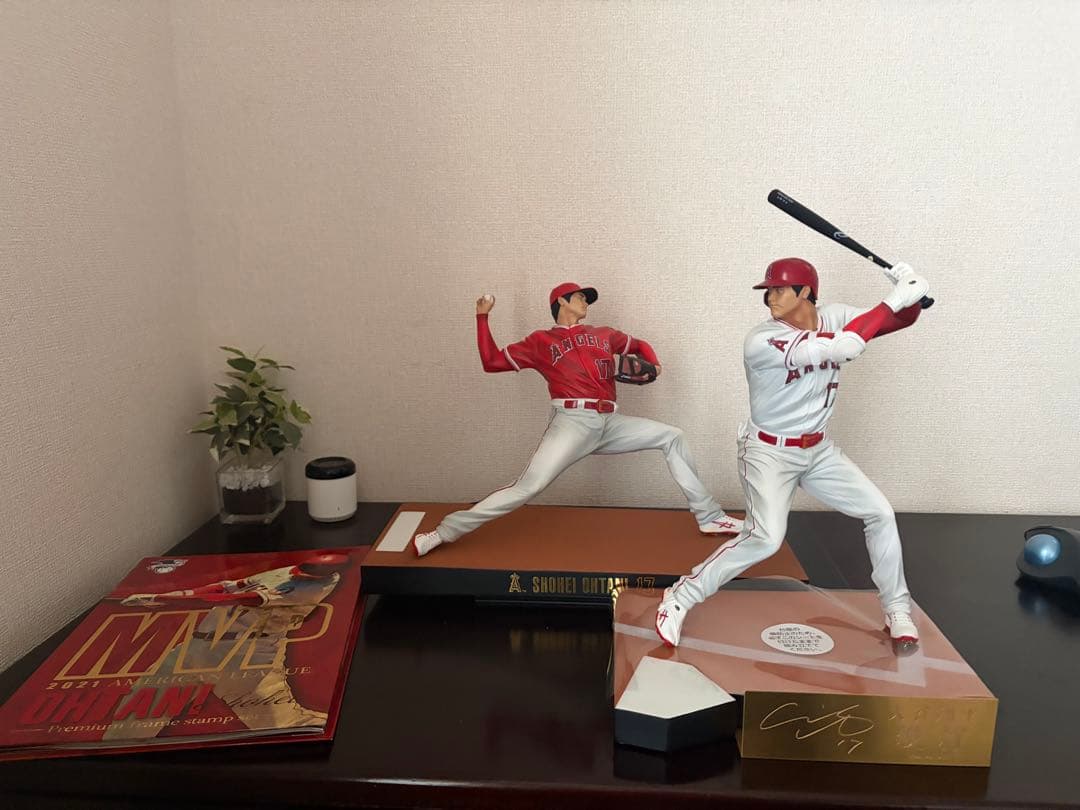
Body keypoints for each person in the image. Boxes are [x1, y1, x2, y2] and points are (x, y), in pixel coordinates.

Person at [655, 258, 930, 648]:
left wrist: (912, 294)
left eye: (780, 289)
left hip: (818, 450)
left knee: (880, 513)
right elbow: (848, 346)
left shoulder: (835, 316)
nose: (771, 297)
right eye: (768, 290)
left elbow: (896, 321)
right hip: (768, 453)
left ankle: (896, 607)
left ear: (806, 292)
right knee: (765, 539)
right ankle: (681, 596)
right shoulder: (762, 339)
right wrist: (896, 297)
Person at [412, 283, 743, 556]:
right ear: (561, 301)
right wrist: (482, 316)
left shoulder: (604, 334)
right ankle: (443, 532)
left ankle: (709, 516)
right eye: (581, 297)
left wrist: (655, 364)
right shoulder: (541, 341)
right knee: (526, 487)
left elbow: (639, 345)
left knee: (672, 436)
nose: (586, 302)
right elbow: (492, 361)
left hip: (610, 423)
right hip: (571, 422)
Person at [104, 553, 351, 738]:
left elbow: (241, 598)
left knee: (286, 728)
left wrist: (162, 600)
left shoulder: (316, 586)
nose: (305, 571)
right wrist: (173, 595)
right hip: (195, 648)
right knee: (130, 721)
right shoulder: (289, 572)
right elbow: (228, 586)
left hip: (245, 656)